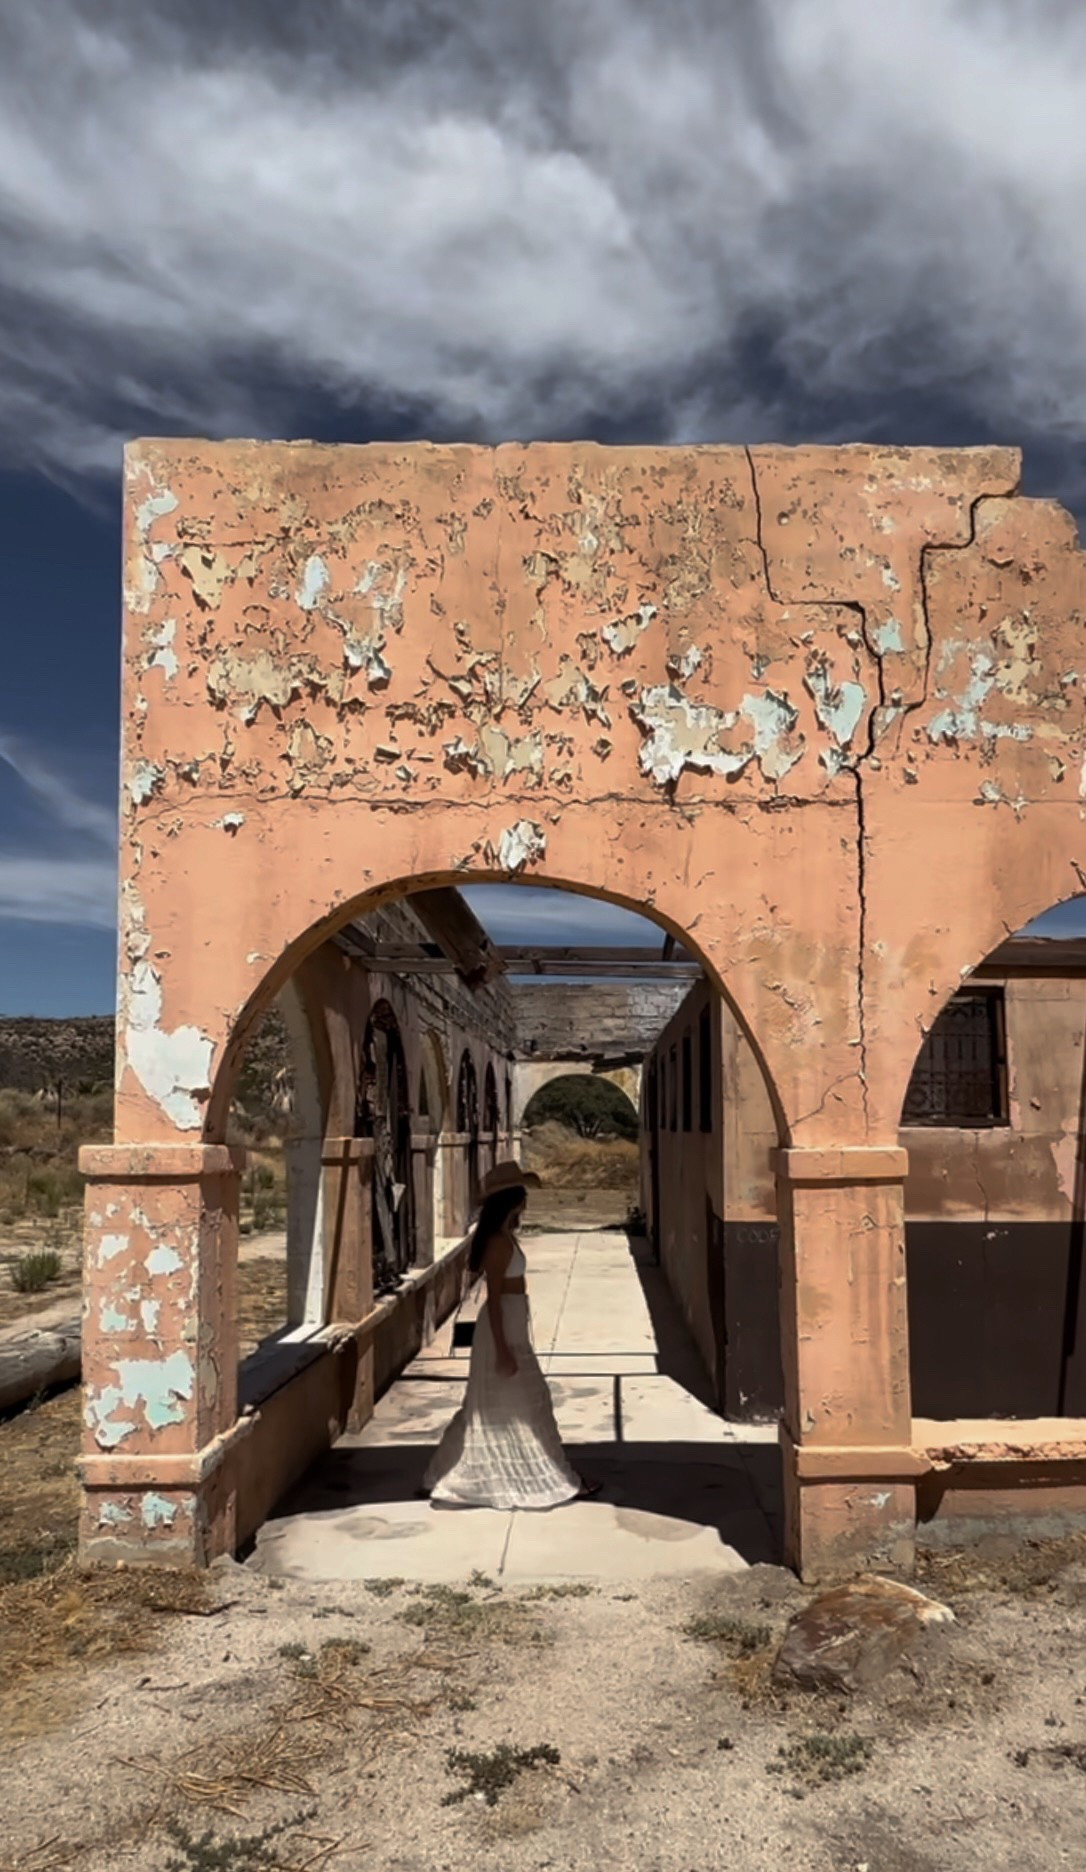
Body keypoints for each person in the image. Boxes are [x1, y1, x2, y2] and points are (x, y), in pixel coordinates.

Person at [423, 1161, 600, 1509]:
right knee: (527, 1403)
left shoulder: (504, 1238)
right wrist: (503, 1349)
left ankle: (446, 1473)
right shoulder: (498, 1243)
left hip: (512, 1328)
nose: (526, 1201)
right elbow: (495, 1299)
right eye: (522, 1195)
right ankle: (558, 1478)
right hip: (502, 1332)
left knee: (490, 1406)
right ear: (513, 1200)